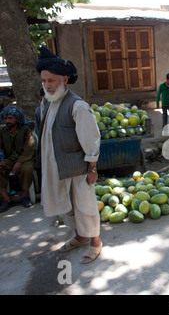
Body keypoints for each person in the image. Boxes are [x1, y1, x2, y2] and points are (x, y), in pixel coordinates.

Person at [35, 47, 102, 264]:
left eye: (51, 80)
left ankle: (95, 242)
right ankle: (80, 237)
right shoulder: (47, 102)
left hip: (76, 167)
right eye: (44, 80)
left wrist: (92, 168)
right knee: (68, 206)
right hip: (56, 167)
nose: (47, 85)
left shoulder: (78, 106)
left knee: (85, 205)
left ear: (64, 79)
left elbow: (91, 139)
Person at [0, 106, 35, 212]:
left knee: (27, 169)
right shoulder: (2, 131)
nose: (7, 121)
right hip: (8, 159)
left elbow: (29, 147)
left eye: (10, 118)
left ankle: (25, 196)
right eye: (6, 119)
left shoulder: (25, 130)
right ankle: (7, 199)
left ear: (17, 119)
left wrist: (19, 161)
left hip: (24, 158)